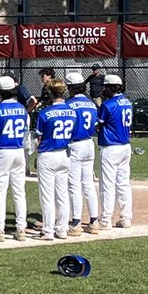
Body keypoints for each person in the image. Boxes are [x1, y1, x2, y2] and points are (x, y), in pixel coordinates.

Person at [33, 78, 77, 241]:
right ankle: (62, 229)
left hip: (48, 154)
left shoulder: (45, 113)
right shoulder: (72, 111)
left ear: (51, 93)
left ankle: (48, 230)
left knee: (47, 195)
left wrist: (36, 155)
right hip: (64, 154)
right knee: (62, 194)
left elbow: (39, 138)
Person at [0, 76, 29, 241]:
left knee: (0, 192)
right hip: (19, 150)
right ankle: (21, 229)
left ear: (0, 92)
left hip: (3, 150)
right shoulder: (22, 108)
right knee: (19, 191)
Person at [96, 74, 134, 229]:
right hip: (125, 146)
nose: (104, 90)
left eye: (105, 87)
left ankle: (105, 220)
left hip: (111, 147)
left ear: (111, 87)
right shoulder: (127, 102)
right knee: (123, 184)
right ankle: (126, 217)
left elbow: (98, 126)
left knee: (107, 185)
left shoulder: (108, 105)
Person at [64, 73, 101, 236]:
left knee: (74, 186)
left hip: (75, 145)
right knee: (88, 184)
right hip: (89, 143)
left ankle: (76, 222)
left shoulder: (68, 104)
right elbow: (94, 125)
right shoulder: (91, 104)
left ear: (71, 88)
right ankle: (94, 221)